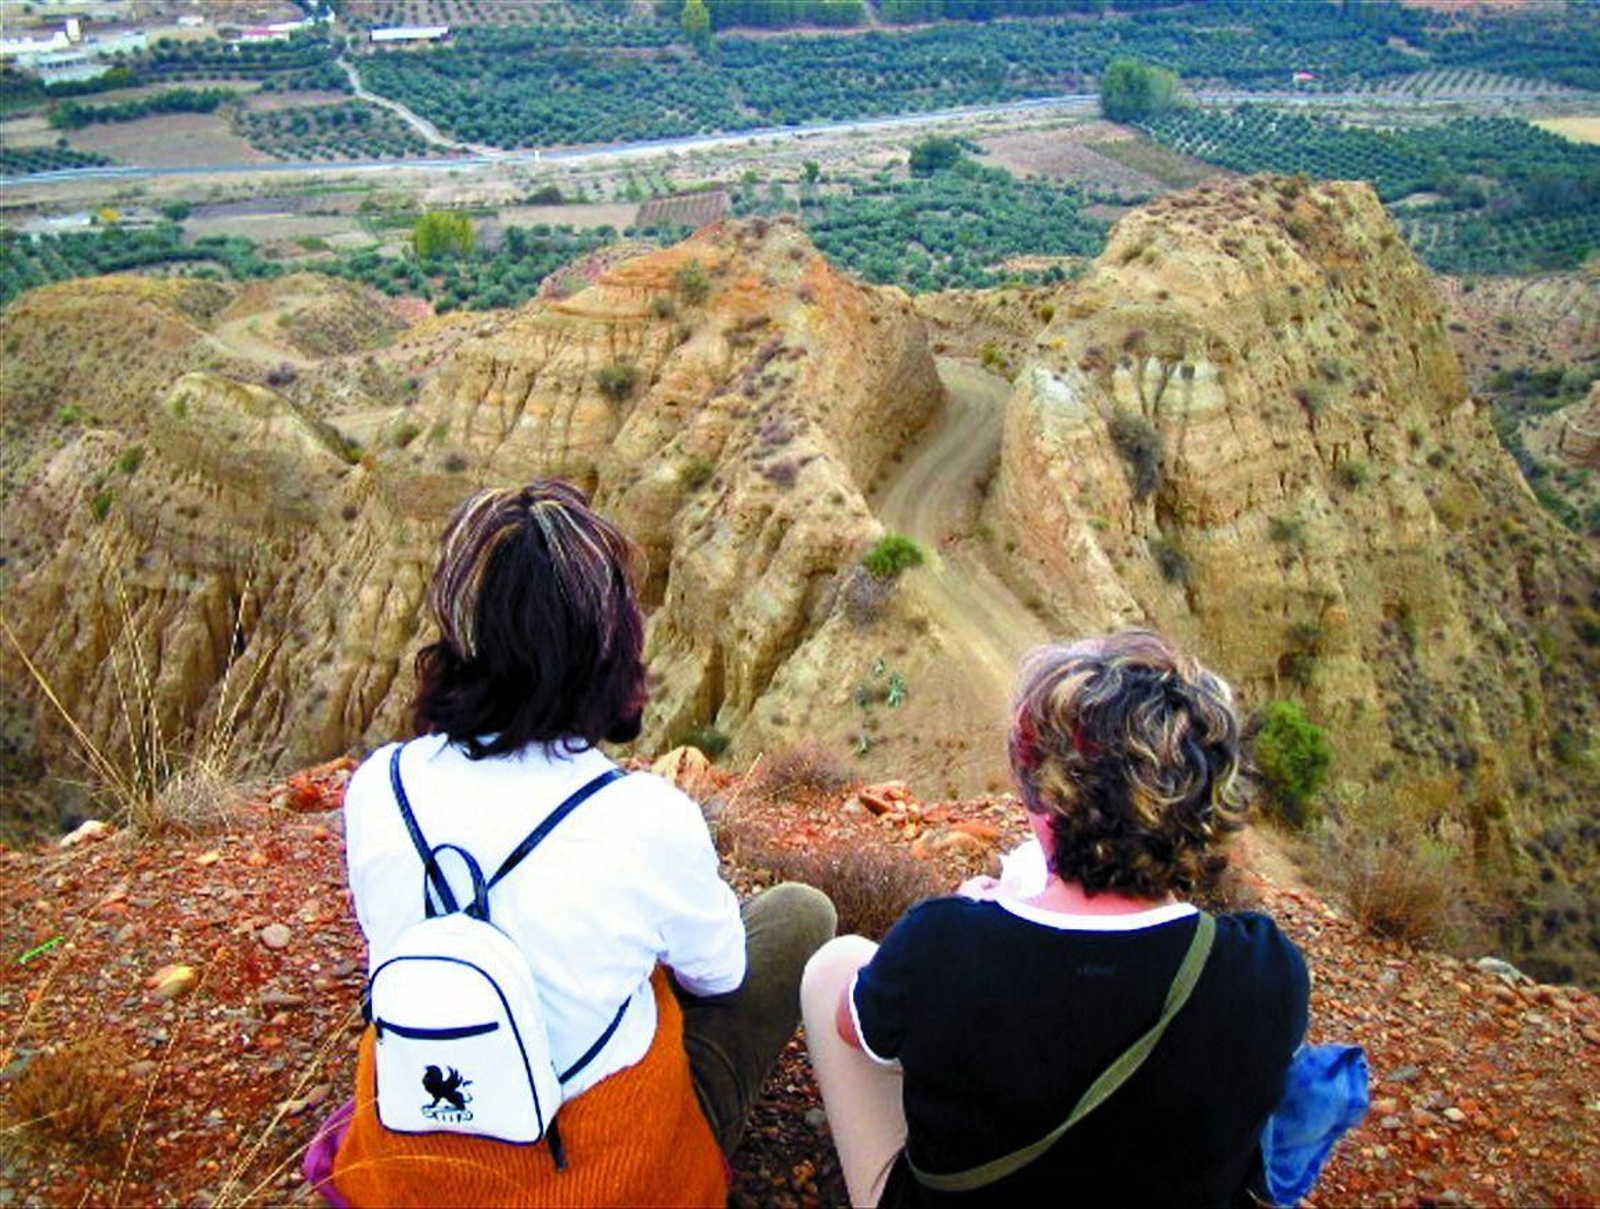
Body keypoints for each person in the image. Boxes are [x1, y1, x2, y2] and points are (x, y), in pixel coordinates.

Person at [312, 481, 836, 1207]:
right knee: (799, 914)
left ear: (459, 633)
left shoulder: (379, 787)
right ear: (608, 647)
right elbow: (718, 974)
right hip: (595, 1179)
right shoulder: (646, 816)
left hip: (410, 1171)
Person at [801, 630, 1310, 1206]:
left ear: (1045, 806)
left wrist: (972, 917)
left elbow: (851, 1023)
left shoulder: (944, 943)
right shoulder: (1267, 970)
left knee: (836, 966)